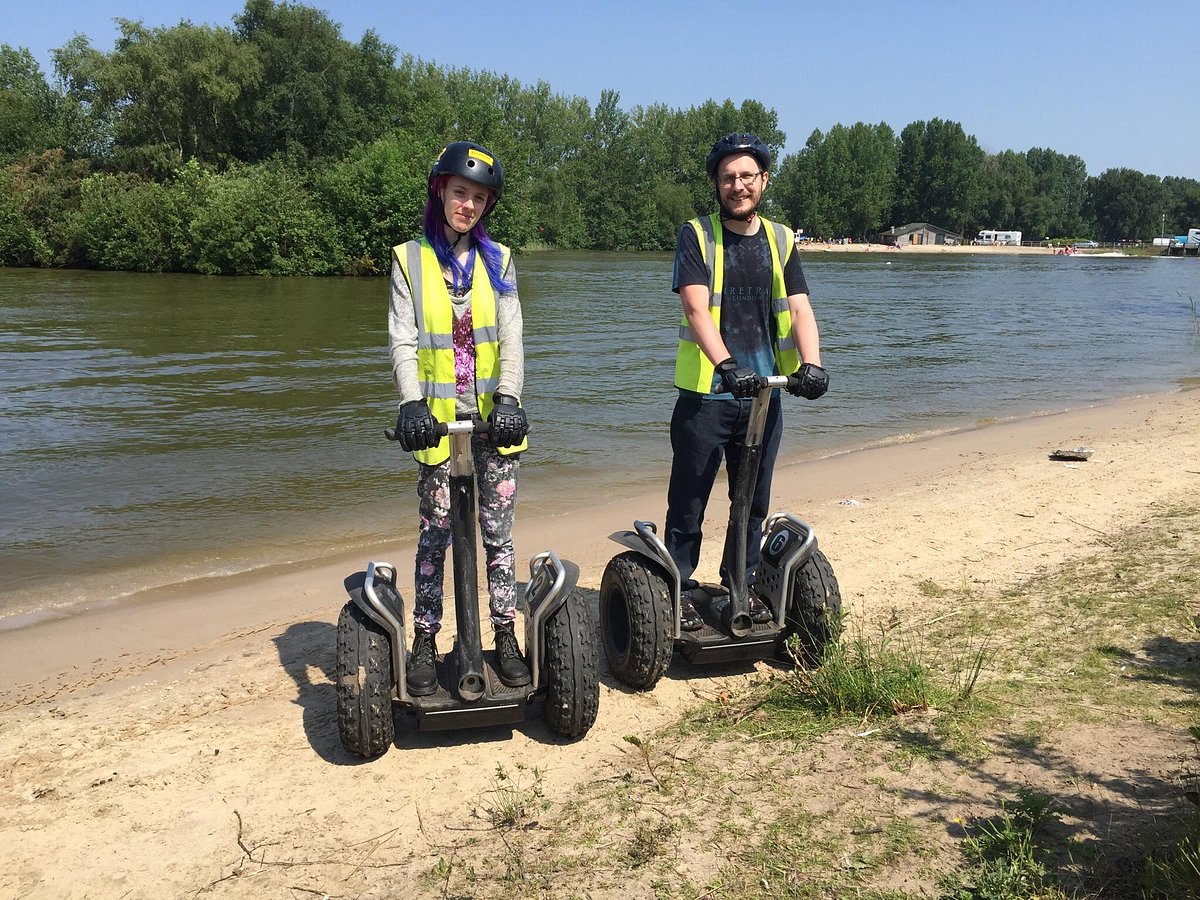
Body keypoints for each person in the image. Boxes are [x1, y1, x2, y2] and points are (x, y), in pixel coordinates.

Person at [665, 132, 828, 631]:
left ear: (763, 180)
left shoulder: (781, 239)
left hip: (763, 395)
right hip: (706, 396)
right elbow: (695, 307)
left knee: (752, 499)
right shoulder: (697, 234)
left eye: (747, 176)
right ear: (717, 183)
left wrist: (812, 363)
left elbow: (799, 306)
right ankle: (681, 590)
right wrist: (725, 364)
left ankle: (741, 580)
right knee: (689, 499)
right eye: (728, 177)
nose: (738, 185)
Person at [387, 140, 531, 696]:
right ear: (440, 191)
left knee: (499, 535)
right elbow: (402, 337)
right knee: (435, 534)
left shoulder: (501, 260)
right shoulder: (408, 258)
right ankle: (425, 639)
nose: (467, 205)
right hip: (438, 425)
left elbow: (512, 336)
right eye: (459, 193)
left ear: (487, 206)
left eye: (478, 198)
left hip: (495, 422)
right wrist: (410, 403)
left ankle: (505, 634)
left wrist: (512, 399)